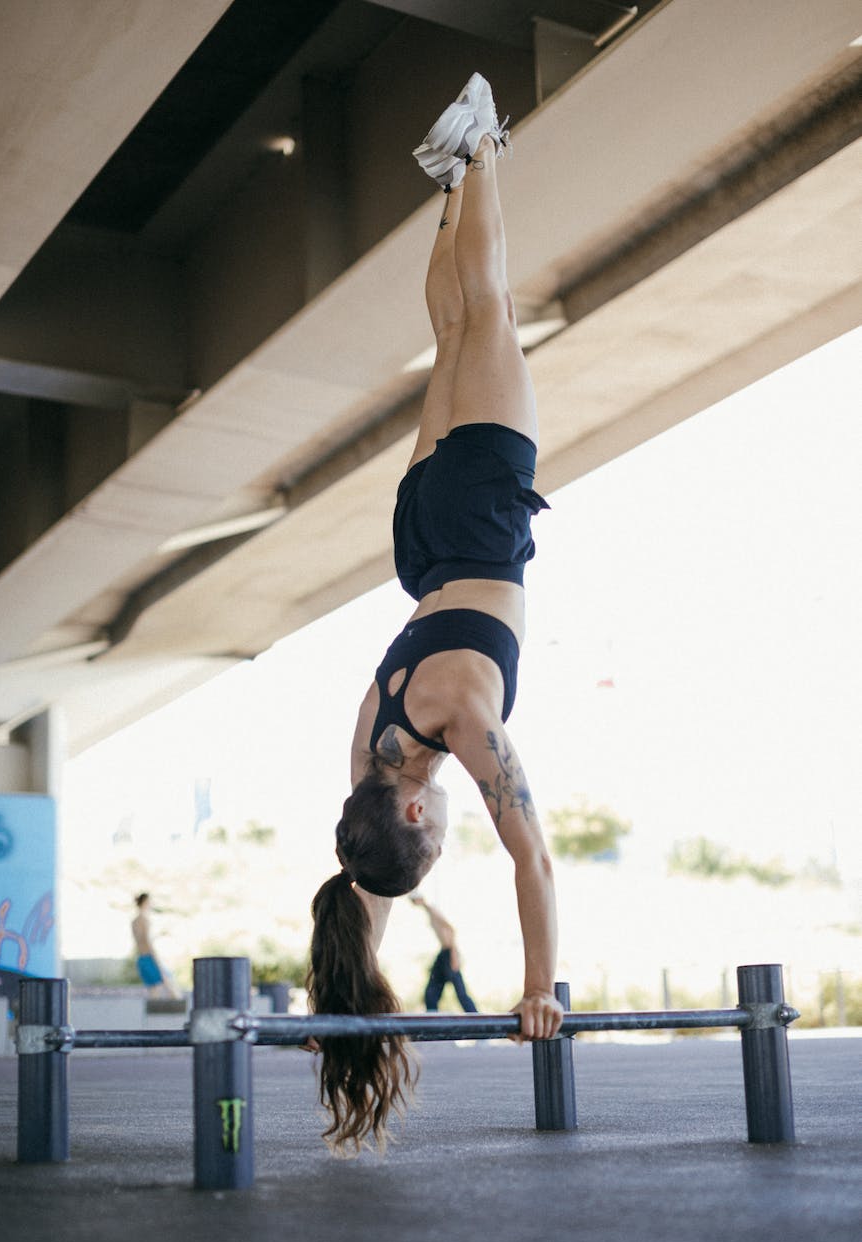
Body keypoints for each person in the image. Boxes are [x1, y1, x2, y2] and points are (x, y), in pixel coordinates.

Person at [308, 72, 563, 1154]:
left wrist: (541, 988)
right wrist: (345, 1004)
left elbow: (532, 859)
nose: (449, 823)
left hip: (475, 524)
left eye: (437, 832)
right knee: (455, 323)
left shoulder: (464, 719)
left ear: (418, 813)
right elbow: (363, 880)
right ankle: (452, 179)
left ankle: (486, 138)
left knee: (492, 310)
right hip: (415, 536)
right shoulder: (373, 746)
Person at [411, 894, 478, 1013]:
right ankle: (432, 1019)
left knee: (461, 993)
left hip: (449, 953)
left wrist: (453, 955)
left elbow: (450, 929)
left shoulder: (432, 910)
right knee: (431, 992)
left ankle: (476, 1018)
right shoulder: (429, 911)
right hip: (443, 954)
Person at [131, 892, 179, 999]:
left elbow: (140, 941)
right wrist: (157, 959)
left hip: (141, 958)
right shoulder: (144, 920)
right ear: (145, 902)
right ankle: (180, 1012)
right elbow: (148, 942)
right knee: (169, 983)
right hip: (149, 957)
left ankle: (155, 1014)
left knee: (154, 990)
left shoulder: (134, 922)